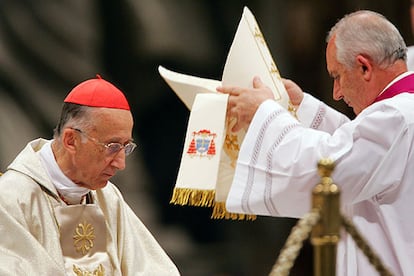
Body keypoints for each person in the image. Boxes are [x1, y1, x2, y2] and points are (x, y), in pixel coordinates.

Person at [217, 10, 414, 275]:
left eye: (337, 76)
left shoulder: (396, 116)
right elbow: (357, 150)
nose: (337, 92)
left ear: (365, 67)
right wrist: (301, 108)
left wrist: (265, 113)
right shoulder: (399, 111)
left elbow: (327, 169)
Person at [0, 76, 180, 275]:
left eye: (126, 147)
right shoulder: (11, 198)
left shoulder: (108, 197)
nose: (121, 164)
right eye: (112, 147)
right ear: (71, 140)